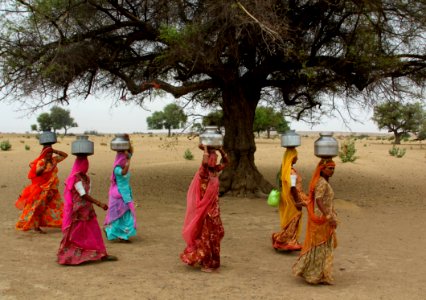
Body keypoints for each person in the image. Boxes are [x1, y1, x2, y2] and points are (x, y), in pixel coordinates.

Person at [57, 155, 117, 265]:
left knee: (94, 231)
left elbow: (87, 193)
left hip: (87, 209)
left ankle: (101, 253)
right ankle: (71, 255)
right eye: (85, 163)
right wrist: (98, 203)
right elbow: (83, 194)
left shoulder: (86, 178)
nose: (86, 166)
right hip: (79, 210)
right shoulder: (75, 178)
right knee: (77, 232)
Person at [180, 144, 229, 272]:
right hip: (206, 211)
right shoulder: (204, 172)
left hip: (215, 210)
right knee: (207, 237)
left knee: (215, 236)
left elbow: (227, 162)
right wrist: (206, 149)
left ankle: (211, 261)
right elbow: (205, 162)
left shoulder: (215, 171)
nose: (214, 159)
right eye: (212, 158)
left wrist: (220, 150)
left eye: (215, 158)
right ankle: (206, 262)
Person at [292, 158, 338, 284]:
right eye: (330, 168)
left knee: (320, 246)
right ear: (322, 169)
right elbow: (318, 200)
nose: (332, 171)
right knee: (320, 246)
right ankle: (315, 274)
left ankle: (316, 273)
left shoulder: (322, 181)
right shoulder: (322, 183)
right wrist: (328, 216)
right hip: (321, 219)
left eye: (333, 168)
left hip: (321, 216)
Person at [15, 146, 68, 233]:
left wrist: (54, 150)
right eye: (47, 153)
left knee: (54, 205)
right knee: (38, 206)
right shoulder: (41, 162)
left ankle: (59, 223)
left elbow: (65, 155)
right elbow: (37, 173)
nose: (49, 154)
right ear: (44, 154)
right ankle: (35, 226)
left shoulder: (54, 160)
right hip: (42, 188)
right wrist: (44, 166)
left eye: (50, 153)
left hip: (52, 188)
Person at [271, 147, 307, 251]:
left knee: (293, 219)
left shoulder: (285, 170)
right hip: (293, 199)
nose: (297, 158)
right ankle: (282, 240)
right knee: (294, 219)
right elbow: (292, 187)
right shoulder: (291, 172)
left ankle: (286, 239)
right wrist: (298, 201)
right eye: (296, 156)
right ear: (291, 157)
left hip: (288, 198)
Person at [104, 145, 137, 242]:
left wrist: (127, 144)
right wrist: (128, 161)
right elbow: (124, 172)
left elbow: (130, 153)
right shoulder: (117, 169)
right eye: (123, 159)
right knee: (118, 216)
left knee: (126, 216)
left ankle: (123, 235)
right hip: (119, 195)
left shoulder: (122, 165)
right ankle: (115, 233)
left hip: (126, 194)